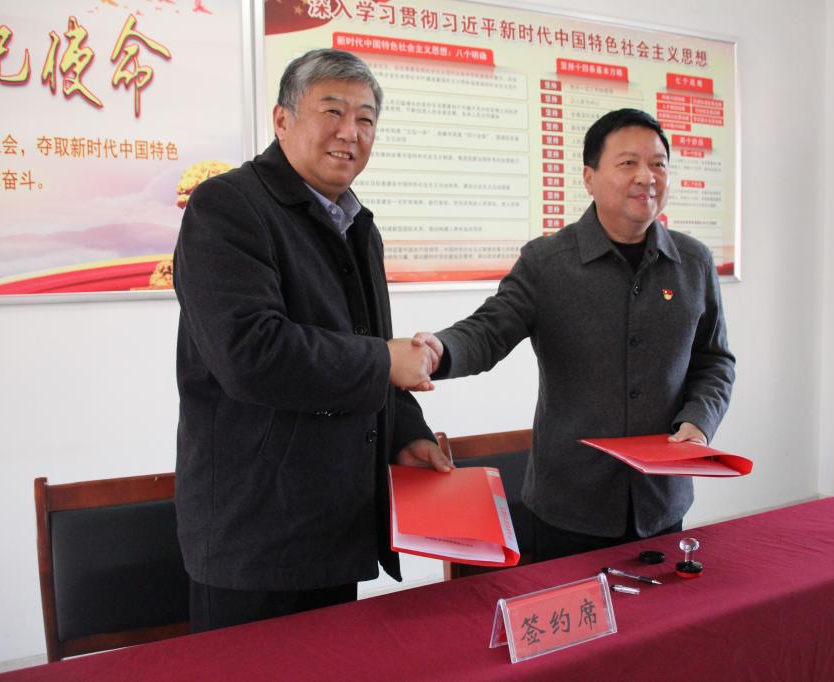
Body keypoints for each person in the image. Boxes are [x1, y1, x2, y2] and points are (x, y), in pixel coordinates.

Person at [173, 48, 450, 633]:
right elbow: (250, 353)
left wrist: (407, 433)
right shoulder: (227, 206)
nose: (351, 132)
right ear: (282, 119)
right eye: (333, 111)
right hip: (255, 530)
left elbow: (367, 345)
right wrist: (382, 362)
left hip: (336, 519)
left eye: (366, 118)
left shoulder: (355, 223)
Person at [416, 109, 735, 561]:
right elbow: (489, 330)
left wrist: (699, 422)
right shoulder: (548, 262)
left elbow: (714, 360)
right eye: (628, 163)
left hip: (661, 503)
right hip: (569, 505)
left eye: (658, 164)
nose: (647, 177)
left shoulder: (693, 262)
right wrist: (440, 350)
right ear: (589, 177)